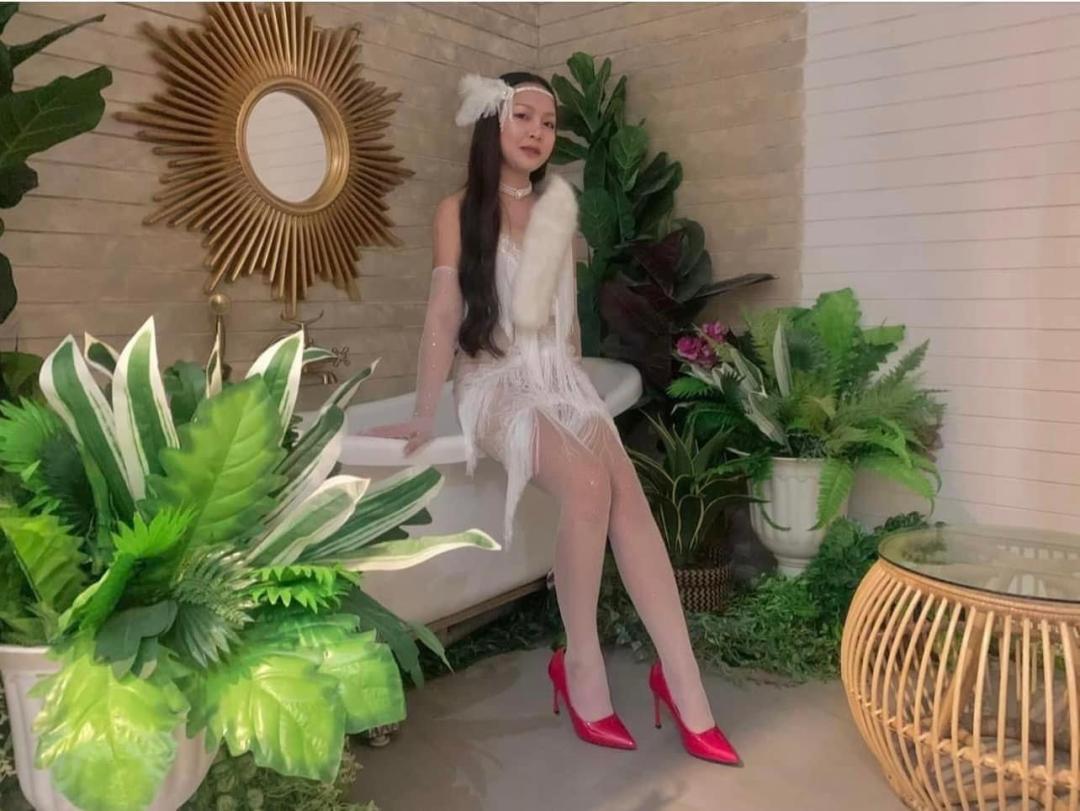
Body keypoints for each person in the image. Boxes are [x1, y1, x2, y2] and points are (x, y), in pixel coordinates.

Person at [359, 71, 741, 766]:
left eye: (548, 122)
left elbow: (566, 325)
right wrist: (422, 414)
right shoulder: (457, 210)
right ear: (493, 122)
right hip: (492, 382)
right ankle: (582, 664)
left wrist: (577, 391)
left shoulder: (558, 212)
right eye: (523, 116)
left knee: (625, 495)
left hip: (556, 377)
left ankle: (682, 678)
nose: (538, 131)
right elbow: (443, 316)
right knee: (589, 487)